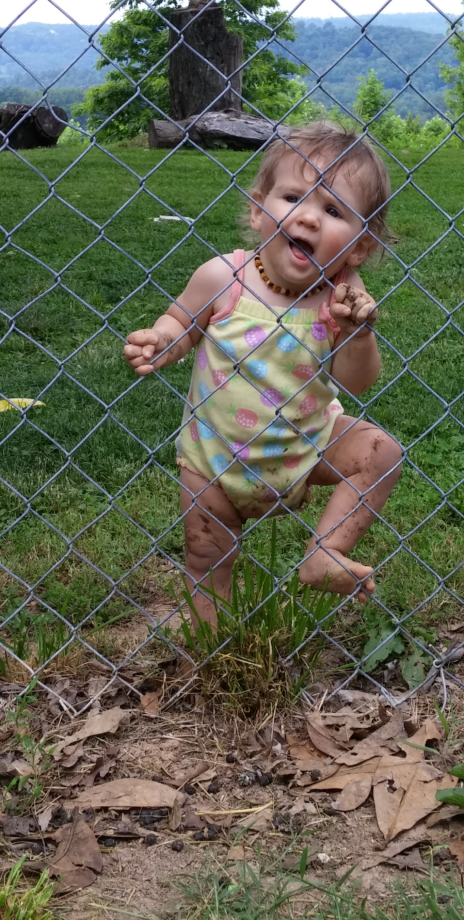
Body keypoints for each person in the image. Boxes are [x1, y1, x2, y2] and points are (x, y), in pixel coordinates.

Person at [124, 123, 402, 628]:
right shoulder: (222, 278)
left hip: (306, 446)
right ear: (257, 210)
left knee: (380, 454)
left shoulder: (339, 301)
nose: (309, 218)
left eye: (334, 211)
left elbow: (358, 383)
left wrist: (357, 333)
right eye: (294, 197)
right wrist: (162, 340)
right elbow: (182, 322)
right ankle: (214, 652)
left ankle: (325, 552)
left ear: (359, 247)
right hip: (215, 462)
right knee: (208, 562)